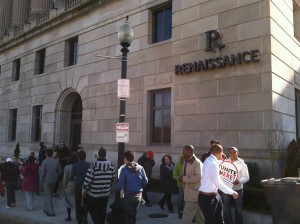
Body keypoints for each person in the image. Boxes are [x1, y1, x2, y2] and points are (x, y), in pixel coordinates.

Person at [198, 144, 238, 224]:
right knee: (210, 222)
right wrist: (232, 192)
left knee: (219, 221)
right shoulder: (213, 163)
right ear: (221, 152)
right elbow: (218, 183)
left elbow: (219, 163)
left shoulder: (210, 160)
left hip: (214, 196)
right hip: (207, 198)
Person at [82, 147, 116, 224]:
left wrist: (84, 188)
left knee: (92, 209)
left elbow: (88, 179)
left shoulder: (94, 165)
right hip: (105, 193)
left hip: (93, 194)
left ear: (98, 155)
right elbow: (113, 179)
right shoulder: (111, 166)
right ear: (105, 155)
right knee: (102, 210)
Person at [117, 151, 148, 224]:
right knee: (133, 216)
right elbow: (145, 181)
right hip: (138, 196)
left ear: (126, 158)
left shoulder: (124, 170)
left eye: (124, 158)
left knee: (128, 218)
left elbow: (119, 186)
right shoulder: (141, 168)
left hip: (128, 195)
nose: (124, 159)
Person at [220, 147, 249, 224]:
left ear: (237, 153)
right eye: (230, 152)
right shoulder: (225, 163)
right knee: (226, 208)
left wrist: (239, 181)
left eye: (234, 152)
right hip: (226, 189)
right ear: (229, 153)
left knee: (238, 209)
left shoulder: (242, 164)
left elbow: (246, 177)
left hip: (238, 189)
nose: (232, 154)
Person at [180, 145, 205, 224]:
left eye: (184, 151)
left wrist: (184, 178)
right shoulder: (186, 160)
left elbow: (198, 177)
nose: (183, 153)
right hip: (190, 192)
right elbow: (184, 173)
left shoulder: (197, 162)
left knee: (187, 213)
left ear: (190, 152)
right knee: (199, 213)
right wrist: (181, 177)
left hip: (194, 193)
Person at [70, 150, 90, 224]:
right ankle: (84, 216)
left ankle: (79, 220)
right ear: (85, 157)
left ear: (78, 157)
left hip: (78, 186)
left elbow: (71, 178)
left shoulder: (75, 166)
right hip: (86, 187)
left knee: (77, 204)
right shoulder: (89, 165)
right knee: (86, 203)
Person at [40, 148, 62, 217]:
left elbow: (42, 172)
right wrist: (56, 177)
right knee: (49, 195)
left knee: (48, 196)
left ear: (46, 154)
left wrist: (41, 180)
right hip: (53, 180)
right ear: (52, 154)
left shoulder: (44, 161)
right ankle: (46, 208)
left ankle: (51, 211)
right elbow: (60, 171)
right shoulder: (56, 161)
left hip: (46, 180)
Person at [62, 154, 78, 221]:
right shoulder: (78, 166)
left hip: (70, 185)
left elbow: (65, 178)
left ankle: (69, 216)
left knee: (68, 202)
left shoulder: (67, 167)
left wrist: (64, 186)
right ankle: (79, 216)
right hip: (78, 185)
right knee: (78, 202)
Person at [173, 154, 184, 219]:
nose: (183, 159)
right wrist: (179, 178)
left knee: (186, 200)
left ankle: (185, 212)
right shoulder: (177, 165)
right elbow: (174, 175)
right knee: (180, 199)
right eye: (182, 158)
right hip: (180, 185)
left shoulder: (188, 164)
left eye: (184, 158)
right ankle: (179, 212)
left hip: (188, 185)